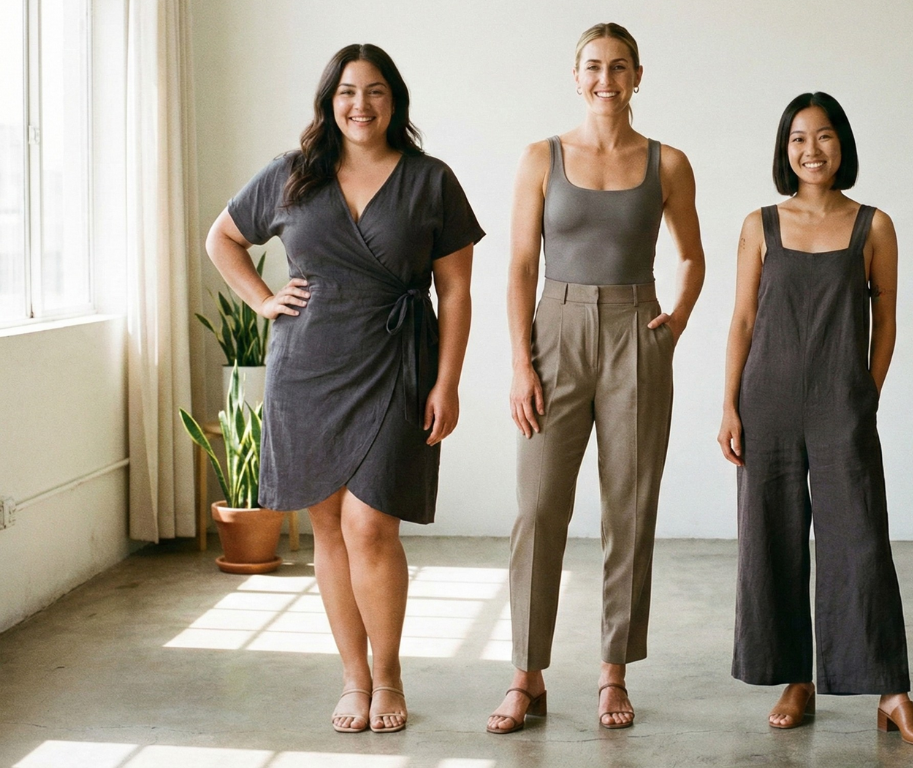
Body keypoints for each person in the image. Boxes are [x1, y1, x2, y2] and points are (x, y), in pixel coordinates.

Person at [205, 43, 482, 734]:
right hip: (308, 365)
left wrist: (447, 381)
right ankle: (353, 680)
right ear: (330, 102)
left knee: (370, 523)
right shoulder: (293, 175)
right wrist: (264, 300)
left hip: (396, 360)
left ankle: (388, 678)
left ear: (396, 101)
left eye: (376, 91)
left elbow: (456, 290)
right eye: (348, 92)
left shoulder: (430, 180)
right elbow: (222, 238)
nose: (362, 104)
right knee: (327, 526)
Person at [486, 22, 705, 734]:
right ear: (574, 76)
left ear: (638, 76)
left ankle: (613, 671)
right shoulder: (540, 158)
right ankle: (527, 674)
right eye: (592, 68)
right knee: (540, 507)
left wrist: (671, 324)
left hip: (634, 331)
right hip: (556, 329)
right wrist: (521, 363)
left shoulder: (667, 163)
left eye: (618, 68)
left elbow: (692, 255)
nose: (604, 80)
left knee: (629, 508)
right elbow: (520, 266)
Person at [718, 92, 913, 749]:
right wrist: (728, 403)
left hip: (841, 401)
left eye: (823, 137)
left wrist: (863, 391)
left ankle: (890, 691)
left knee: (859, 541)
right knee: (773, 539)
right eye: (797, 139)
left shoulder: (875, 225)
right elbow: (742, 320)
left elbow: (889, 316)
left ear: (842, 144)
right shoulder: (760, 224)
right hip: (768, 399)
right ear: (785, 151)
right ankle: (795, 679)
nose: (811, 150)